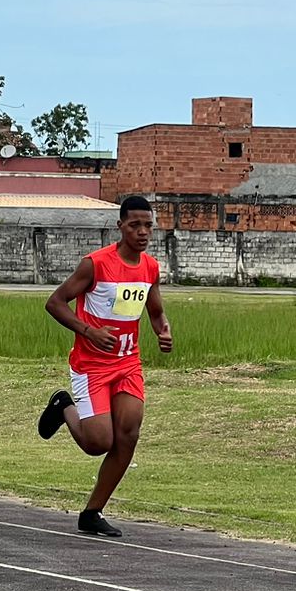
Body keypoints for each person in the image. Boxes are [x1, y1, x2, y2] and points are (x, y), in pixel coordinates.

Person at [37, 195, 173, 537]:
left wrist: (163, 331)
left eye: (148, 226)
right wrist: (88, 331)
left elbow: (155, 311)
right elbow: (55, 303)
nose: (142, 232)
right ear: (120, 227)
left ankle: (93, 512)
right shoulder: (95, 264)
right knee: (98, 443)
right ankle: (63, 405)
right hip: (91, 365)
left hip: (128, 364)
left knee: (128, 434)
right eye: (135, 225)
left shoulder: (150, 268)